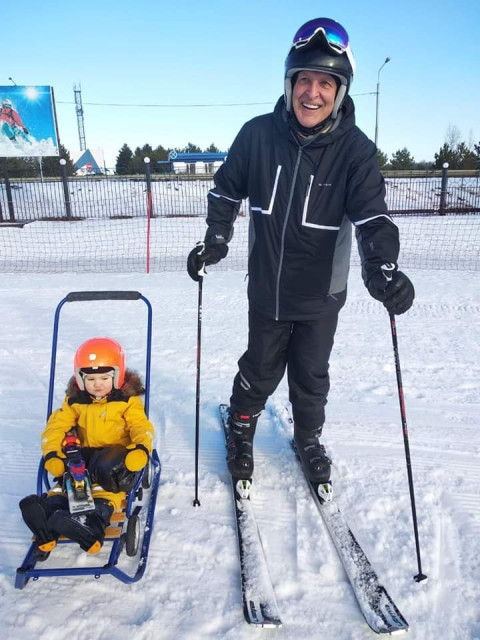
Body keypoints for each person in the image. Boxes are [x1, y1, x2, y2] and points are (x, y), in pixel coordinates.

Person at [187, 17, 415, 484]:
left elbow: (373, 217)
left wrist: (383, 268)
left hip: (321, 296)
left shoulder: (355, 151)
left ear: (340, 91)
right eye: (304, 80)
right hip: (268, 289)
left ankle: (309, 437)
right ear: (290, 84)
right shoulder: (256, 135)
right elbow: (227, 190)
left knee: (311, 376)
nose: (313, 93)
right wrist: (216, 238)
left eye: (325, 83)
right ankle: (241, 425)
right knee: (260, 368)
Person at [19, 337, 154, 555]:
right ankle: (47, 523)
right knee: (63, 490)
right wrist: (52, 453)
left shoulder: (127, 401)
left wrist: (141, 448)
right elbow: (55, 427)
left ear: (117, 376)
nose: (97, 384)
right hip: (80, 458)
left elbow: (141, 427)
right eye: (90, 378)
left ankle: (90, 528)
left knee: (104, 497)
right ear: (80, 379)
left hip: (112, 463)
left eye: (104, 377)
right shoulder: (75, 401)